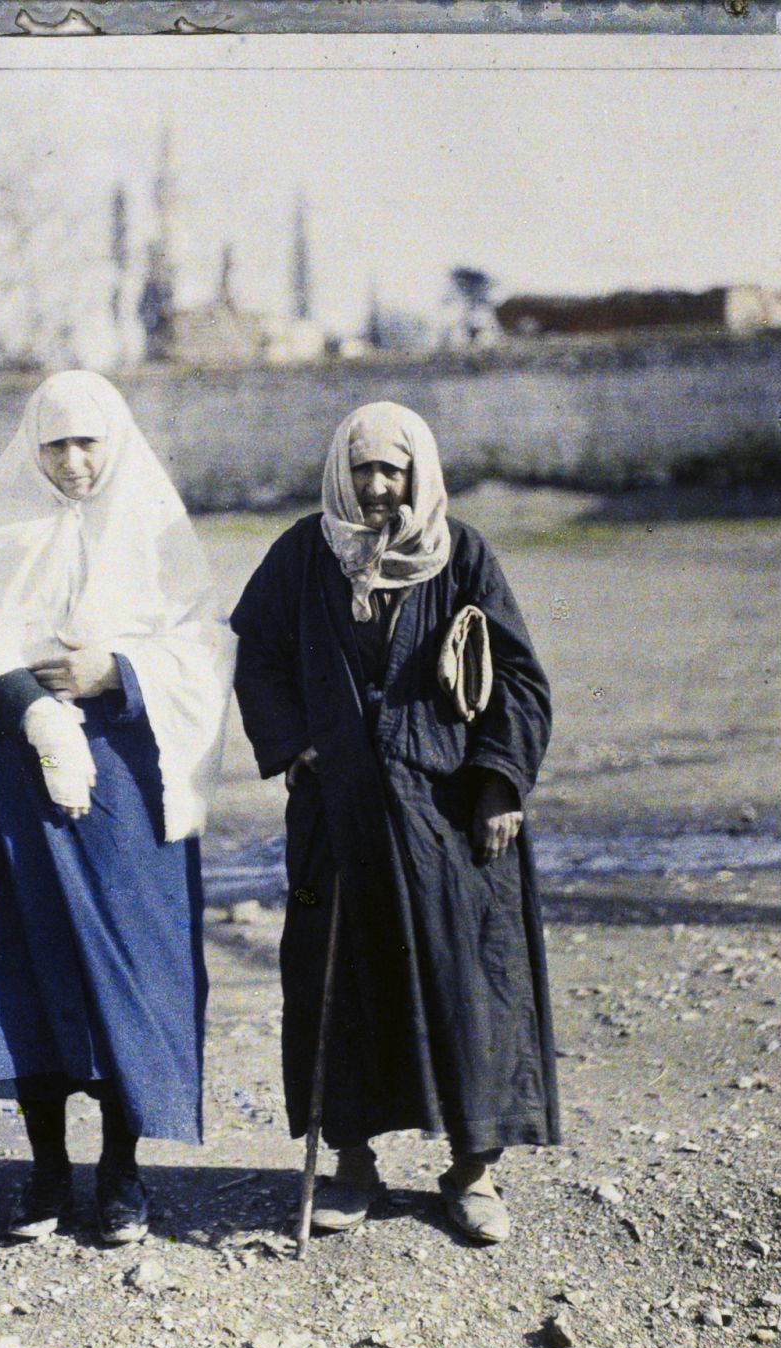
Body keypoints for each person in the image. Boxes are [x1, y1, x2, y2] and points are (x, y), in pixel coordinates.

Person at [0, 370, 235, 1245]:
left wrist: (116, 674)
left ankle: (121, 1169)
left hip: (128, 781)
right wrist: (29, 702)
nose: (73, 459)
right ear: (32, 447)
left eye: (88, 440)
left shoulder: (155, 526)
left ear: (116, 441)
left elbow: (202, 646)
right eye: (55, 443)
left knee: (127, 964)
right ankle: (48, 1166)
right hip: (17, 780)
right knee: (26, 964)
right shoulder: (0, 524)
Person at [228, 401, 558, 1246]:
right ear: (341, 470)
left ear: (419, 473)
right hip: (339, 813)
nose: (378, 488)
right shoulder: (305, 553)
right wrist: (295, 744)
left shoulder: (461, 553)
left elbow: (519, 679)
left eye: (393, 470)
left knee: (464, 984)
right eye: (363, 469)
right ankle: (353, 1164)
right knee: (340, 987)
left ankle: (473, 1170)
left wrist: (499, 782)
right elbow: (256, 652)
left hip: (446, 818)